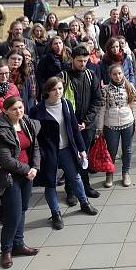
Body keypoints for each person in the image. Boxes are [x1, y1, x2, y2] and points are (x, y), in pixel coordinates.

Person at [29, 77, 98, 230]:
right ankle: (55, 214)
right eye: (54, 89)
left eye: (60, 88)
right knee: (50, 183)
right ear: (47, 91)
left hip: (67, 148)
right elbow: (34, 135)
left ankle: (84, 203)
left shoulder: (66, 104)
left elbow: (74, 128)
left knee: (75, 177)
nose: (58, 92)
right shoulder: (37, 110)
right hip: (48, 153)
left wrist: (81, 149)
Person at [0, 96, 40, 269]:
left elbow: (35, 147)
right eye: (14, 109)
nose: (19, 111)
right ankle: (6, 250)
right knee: (13, 215)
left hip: (28, 175)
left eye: (20, 107)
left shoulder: (26, 123)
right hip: (10, 177)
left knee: (23, 209)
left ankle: (19, 244)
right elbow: (5, 160)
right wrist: (27, 170)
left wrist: (35, 167)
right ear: (5, 111)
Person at [58, 46, 102, 199]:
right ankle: (71, 190)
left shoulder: (91, 75)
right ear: (72, 59)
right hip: (68, 126)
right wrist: (71, 122)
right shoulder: (63, 76)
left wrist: (86, 121)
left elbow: (98, 100)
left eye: (85, 60)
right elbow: (56, 101)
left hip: (86, 125)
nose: (82, 64)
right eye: (79, 61)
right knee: (72, 157)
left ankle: (86, 185)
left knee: (85, 156)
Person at [96, 64, 136, 188]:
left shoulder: (129, 87)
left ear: (123, 74)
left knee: (127, 150)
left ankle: (125, 173)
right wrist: (100, 128)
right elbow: (102, 110)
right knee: (111, 151)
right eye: (115, 74)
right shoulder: (105, 90)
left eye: (120, 73)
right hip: (110, 125)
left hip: (128, 123)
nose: (118, 76)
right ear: (110, 75)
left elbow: (135, 105)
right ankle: (109, 174)